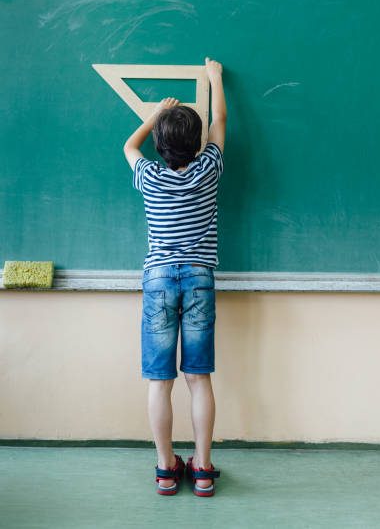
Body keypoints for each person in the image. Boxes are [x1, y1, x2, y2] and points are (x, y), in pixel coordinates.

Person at [123, 57, 226, 496]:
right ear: (199, 143)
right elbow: (219, 118)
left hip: (159, 281)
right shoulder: (209, 170)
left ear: (161, 147)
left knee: (159, 381)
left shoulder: (148, 176)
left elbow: (129, 148)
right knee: (198, 378)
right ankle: (202, 469)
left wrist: (152, 117)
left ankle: (166, 468)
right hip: (199, 279)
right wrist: (215, 78)